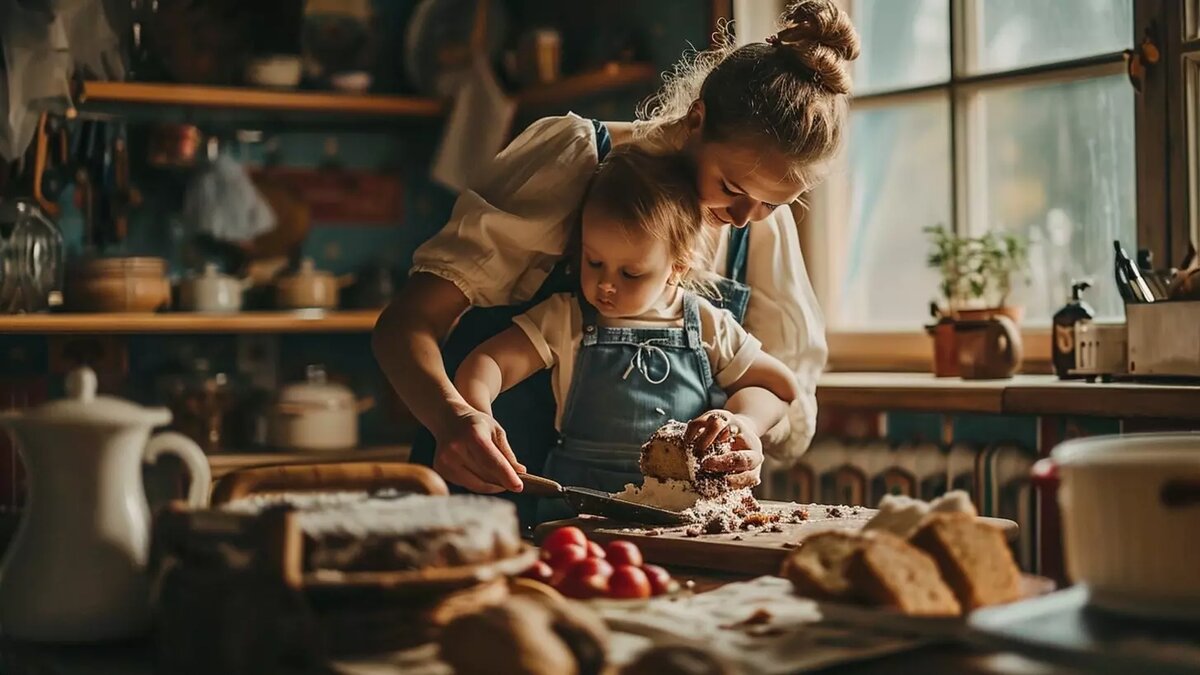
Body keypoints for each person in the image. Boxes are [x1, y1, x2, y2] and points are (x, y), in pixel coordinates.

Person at [373, 0, 860, 520]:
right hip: (489, 500)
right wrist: (453, 419)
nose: (745, 217)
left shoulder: (759, 226)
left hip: (651, 530)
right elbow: (405, 325)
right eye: (731, 187)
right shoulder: (578, 158)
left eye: (772, 203)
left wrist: (747, 433)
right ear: (697, 119)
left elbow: (786, 390)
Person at [453, 148, 799, 522]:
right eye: (594, 262)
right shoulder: (565, 317)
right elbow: (489, 362)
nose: (605, 285)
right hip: (577, 517)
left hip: (680, 520)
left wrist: (743, 421)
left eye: (630, 274)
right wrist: (475, 413)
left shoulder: (707, 323)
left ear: (676, 268)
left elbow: (778, 386)